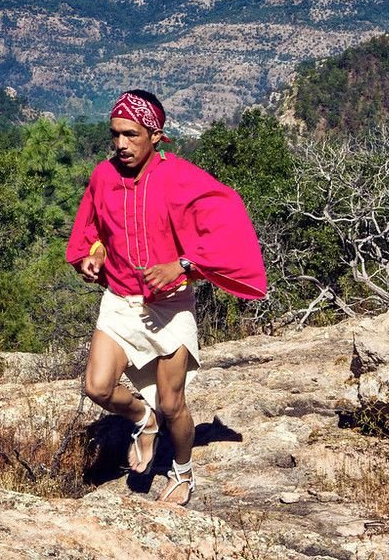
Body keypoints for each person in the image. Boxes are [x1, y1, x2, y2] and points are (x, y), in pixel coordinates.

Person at [67, 89, 266, 505]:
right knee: (97, 387)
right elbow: (95, 227)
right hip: (121, 300)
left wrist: (182, 265)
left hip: (169, 307)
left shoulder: (181, 178)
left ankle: (182, 470)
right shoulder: (104, 176)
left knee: (173, 404)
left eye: (131, 135)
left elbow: (227, 222)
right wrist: (92, 256)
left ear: (156, 135)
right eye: (115, 134)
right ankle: (142, 418)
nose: (121, 144)